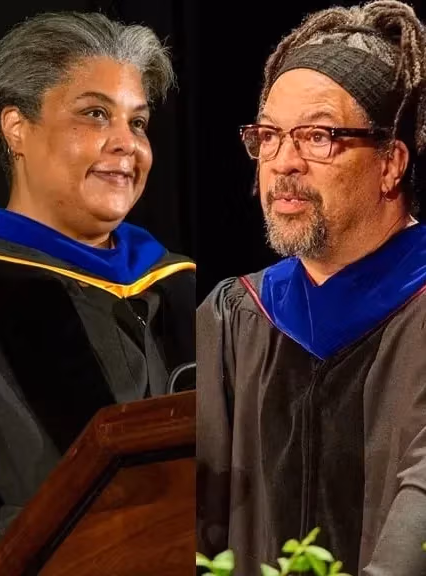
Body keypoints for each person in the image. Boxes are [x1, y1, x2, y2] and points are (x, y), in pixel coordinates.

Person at [197, 1, 426, 575]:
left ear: (391, 163)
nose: (284, 162)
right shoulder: (233, 320)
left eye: (318, 136)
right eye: (269, 136)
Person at [0, 11, 195, 573]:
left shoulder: (184, 291)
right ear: (16, 127)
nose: (127, 145)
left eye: (137, 123)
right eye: (95, 114)